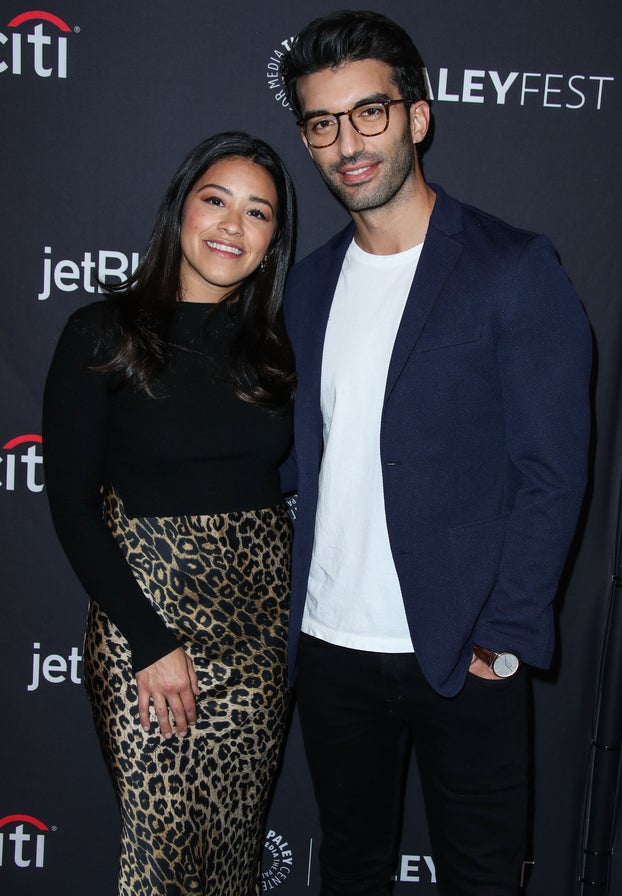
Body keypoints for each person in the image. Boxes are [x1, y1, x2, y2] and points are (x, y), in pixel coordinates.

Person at [279, 11, 592, 896]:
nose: (348, 144)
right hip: (331, 643)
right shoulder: (307, 285)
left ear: (418, 115)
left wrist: (505, 634)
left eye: (370, 112)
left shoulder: (511, 268)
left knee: (484, 878)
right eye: (322, 123)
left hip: (463, 653)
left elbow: (552, 470)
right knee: (351, 870)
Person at [43, 132, 296, 896]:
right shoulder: (104, 332)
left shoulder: (275, 348)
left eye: (258, 214)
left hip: (255, 637)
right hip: (144, 627)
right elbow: (73, 508)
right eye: (216, 200)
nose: (231, 226)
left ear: (272, 241)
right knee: (161, 857)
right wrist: (150, 642)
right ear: (181, 206)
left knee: (230, 859)